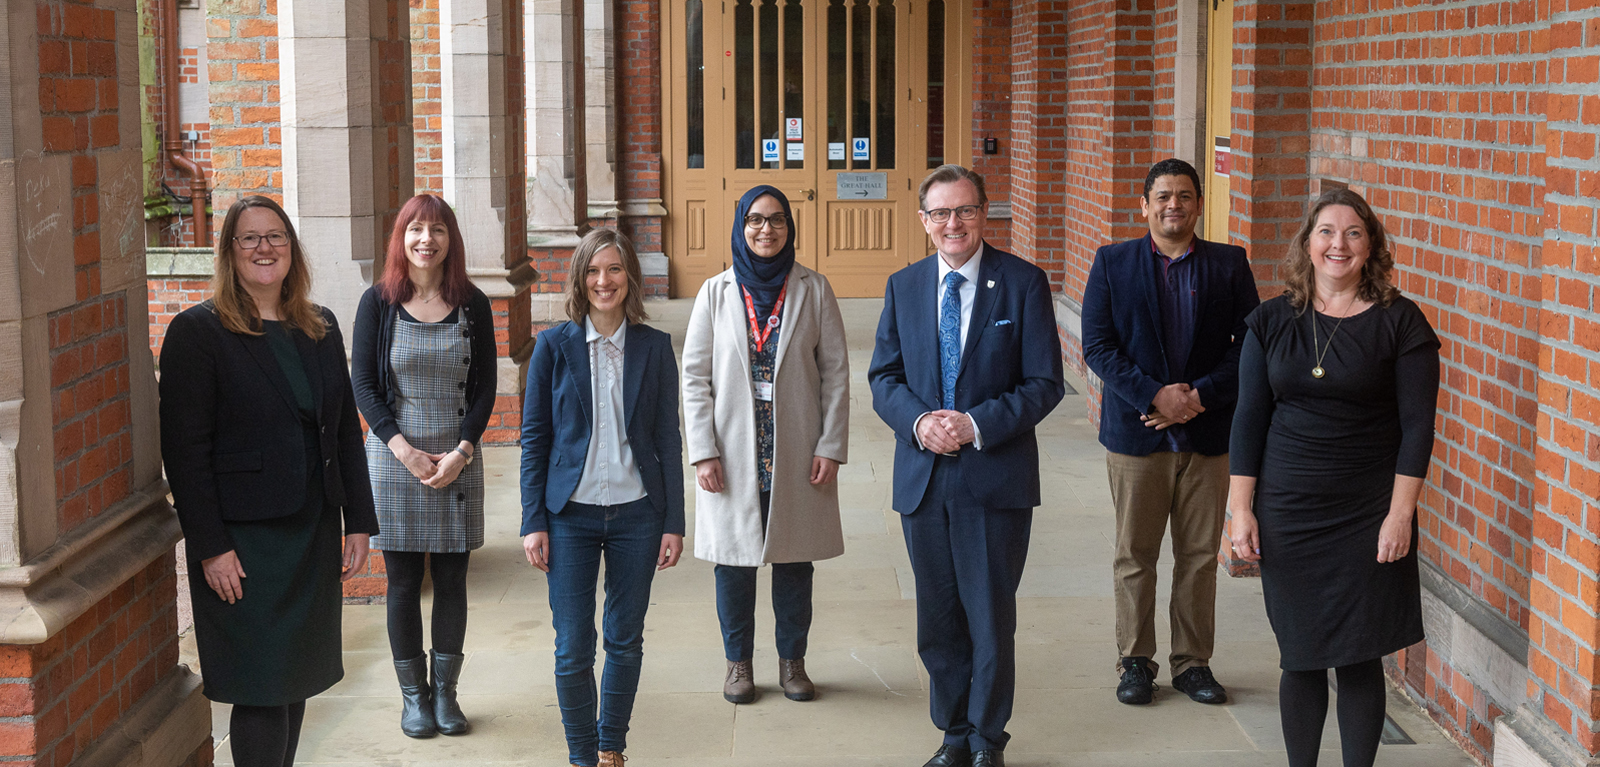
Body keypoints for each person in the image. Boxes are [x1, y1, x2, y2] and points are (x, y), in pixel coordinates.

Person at [159, 196, 378, 767]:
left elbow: (344, 434)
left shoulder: (320, 326)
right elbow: (185, 454)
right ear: (229, 252)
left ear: (291, 249)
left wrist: (359, 523)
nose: (264, 248)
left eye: (275, 236)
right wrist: (211, 548)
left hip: (310, 529)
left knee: (295, 677)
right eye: (249, 238)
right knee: (260, 685)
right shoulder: (197, 332)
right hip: (244, 542)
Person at [1228, 188, 1438, 767]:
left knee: (1358, 655)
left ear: (1370, 247)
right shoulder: (1271, 321)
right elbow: (1249, 418)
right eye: (1326, 232)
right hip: (1289, 511)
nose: (1337, 244)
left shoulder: (1401, 322)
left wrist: (1401, 516)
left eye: (1352, 233)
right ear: (1307, 244)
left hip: (1368, 513)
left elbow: (1418, 429)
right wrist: (1240, 509)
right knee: (1299, 654)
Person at [868, 165, 1064, 767]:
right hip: (924, 477)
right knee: (940, 619)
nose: (953, 224)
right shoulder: (904, 286)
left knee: (989, 616)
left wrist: (975, 423)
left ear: (984, 213)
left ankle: (987, 741)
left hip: (992, 474)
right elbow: (884, 377)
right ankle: (951, 735)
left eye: (965, 211)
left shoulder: (1022, 283)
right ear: (924, 221)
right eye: (940, 213)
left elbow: (1044, 383)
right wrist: (921, 422)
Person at [1079, 157, 1260, 706]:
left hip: (1207, 438)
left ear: (1199, 204)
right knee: (1135, 553)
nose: (1173, 205)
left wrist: (1197, 396)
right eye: (1162, 196)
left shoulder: (1230, 264)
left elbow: (1251, 347)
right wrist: (1155, 395)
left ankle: (1192, 664)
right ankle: (1135, 661)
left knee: (1200, 556)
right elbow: (1098, 345)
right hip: (1137, 436)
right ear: (1145, 205)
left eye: (1184, 195)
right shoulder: (1112, 263)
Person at [520, 228, 685, 767]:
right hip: (569, 516)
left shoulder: (654, 347)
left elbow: (667, 438)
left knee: (625, 640)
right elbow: (535, 440)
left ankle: (611, 746)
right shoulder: (552, 346)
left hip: (639, 515)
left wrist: (673, 522)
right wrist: (532, 521)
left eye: (614, 269)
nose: (604, 281)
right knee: (572, 648)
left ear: (629, 276)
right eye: (593, 270)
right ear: (579, 278)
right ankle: (581, 756)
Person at [682, 185, 851, 705]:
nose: (766, 230)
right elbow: (694, 377)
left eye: (777, 220)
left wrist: (831, 445)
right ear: (741, 225)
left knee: (795, 560)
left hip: (796, 445)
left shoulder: (814, 289)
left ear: (789, 228)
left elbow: (837, 376)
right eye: (755, 220)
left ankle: (792, 661)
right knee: (734, 562)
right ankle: (738, 664)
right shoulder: (715, 291)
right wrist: (703, 450)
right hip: (733, 448)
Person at [351, 194, 496, 738]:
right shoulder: (378, 303)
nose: (425, 240)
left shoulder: (473, 303)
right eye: (415, 229)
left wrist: (462, 451)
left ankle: (447, 696)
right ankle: (414, 698)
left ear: (450, 240)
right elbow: (363, 385)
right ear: (400, 238)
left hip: (457, 458)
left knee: (453, 577)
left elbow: (485, 389)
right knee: (403, 580)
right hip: (395, 461)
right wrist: (403, 450)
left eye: (437, 230)